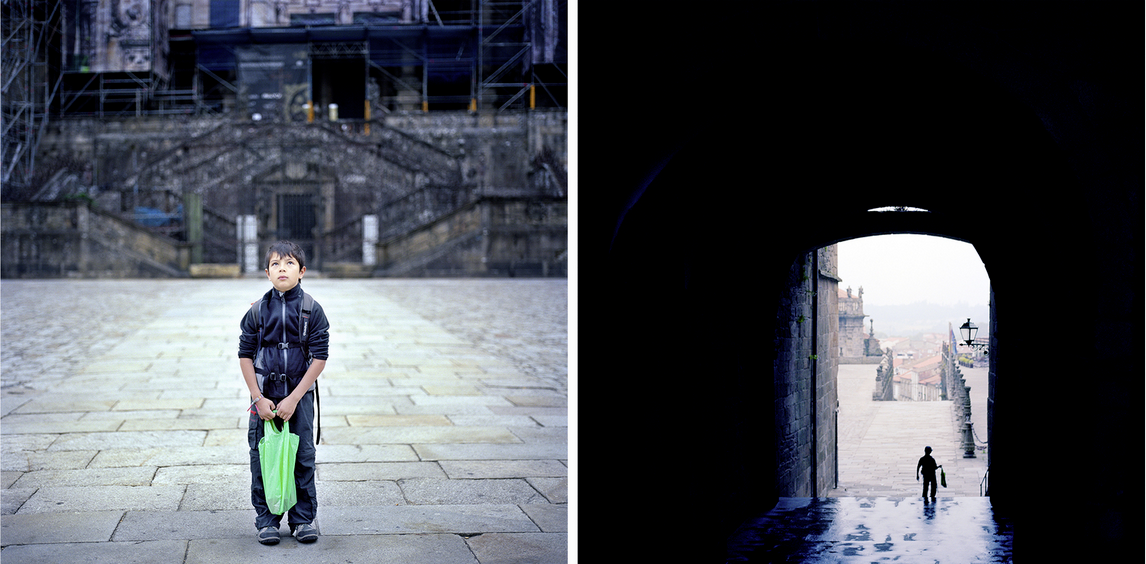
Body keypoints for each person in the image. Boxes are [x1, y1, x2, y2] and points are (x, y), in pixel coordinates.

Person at [239, 241, 330, 545]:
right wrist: (257, 397)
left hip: (299, 398)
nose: (282, 269)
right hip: (264, 395)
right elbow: (245, 355)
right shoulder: (256, 312)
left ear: (302, 271)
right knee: (263, 456)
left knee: (303, 455)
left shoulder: (312, 310)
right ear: (267, 272)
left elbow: (320, 357)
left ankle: (303, 519)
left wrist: (293, 398)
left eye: (289, 263)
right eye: (276, 264)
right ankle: (266, 520)